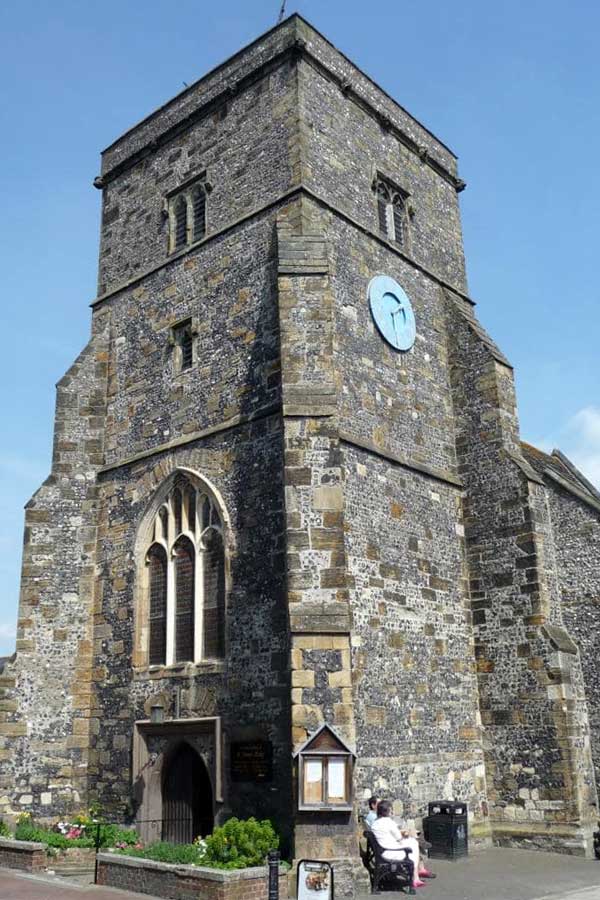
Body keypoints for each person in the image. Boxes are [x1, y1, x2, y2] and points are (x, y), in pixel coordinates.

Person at [370, 800, 435, 888]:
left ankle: (418, 872)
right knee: (413, 843)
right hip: (391, 852)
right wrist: (407, 834)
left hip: (382, 850)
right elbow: (399, 839)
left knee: (412, 841)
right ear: (389, 810)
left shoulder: (375, 823)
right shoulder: (389, 822)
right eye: (391, 809)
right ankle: (415, 877)